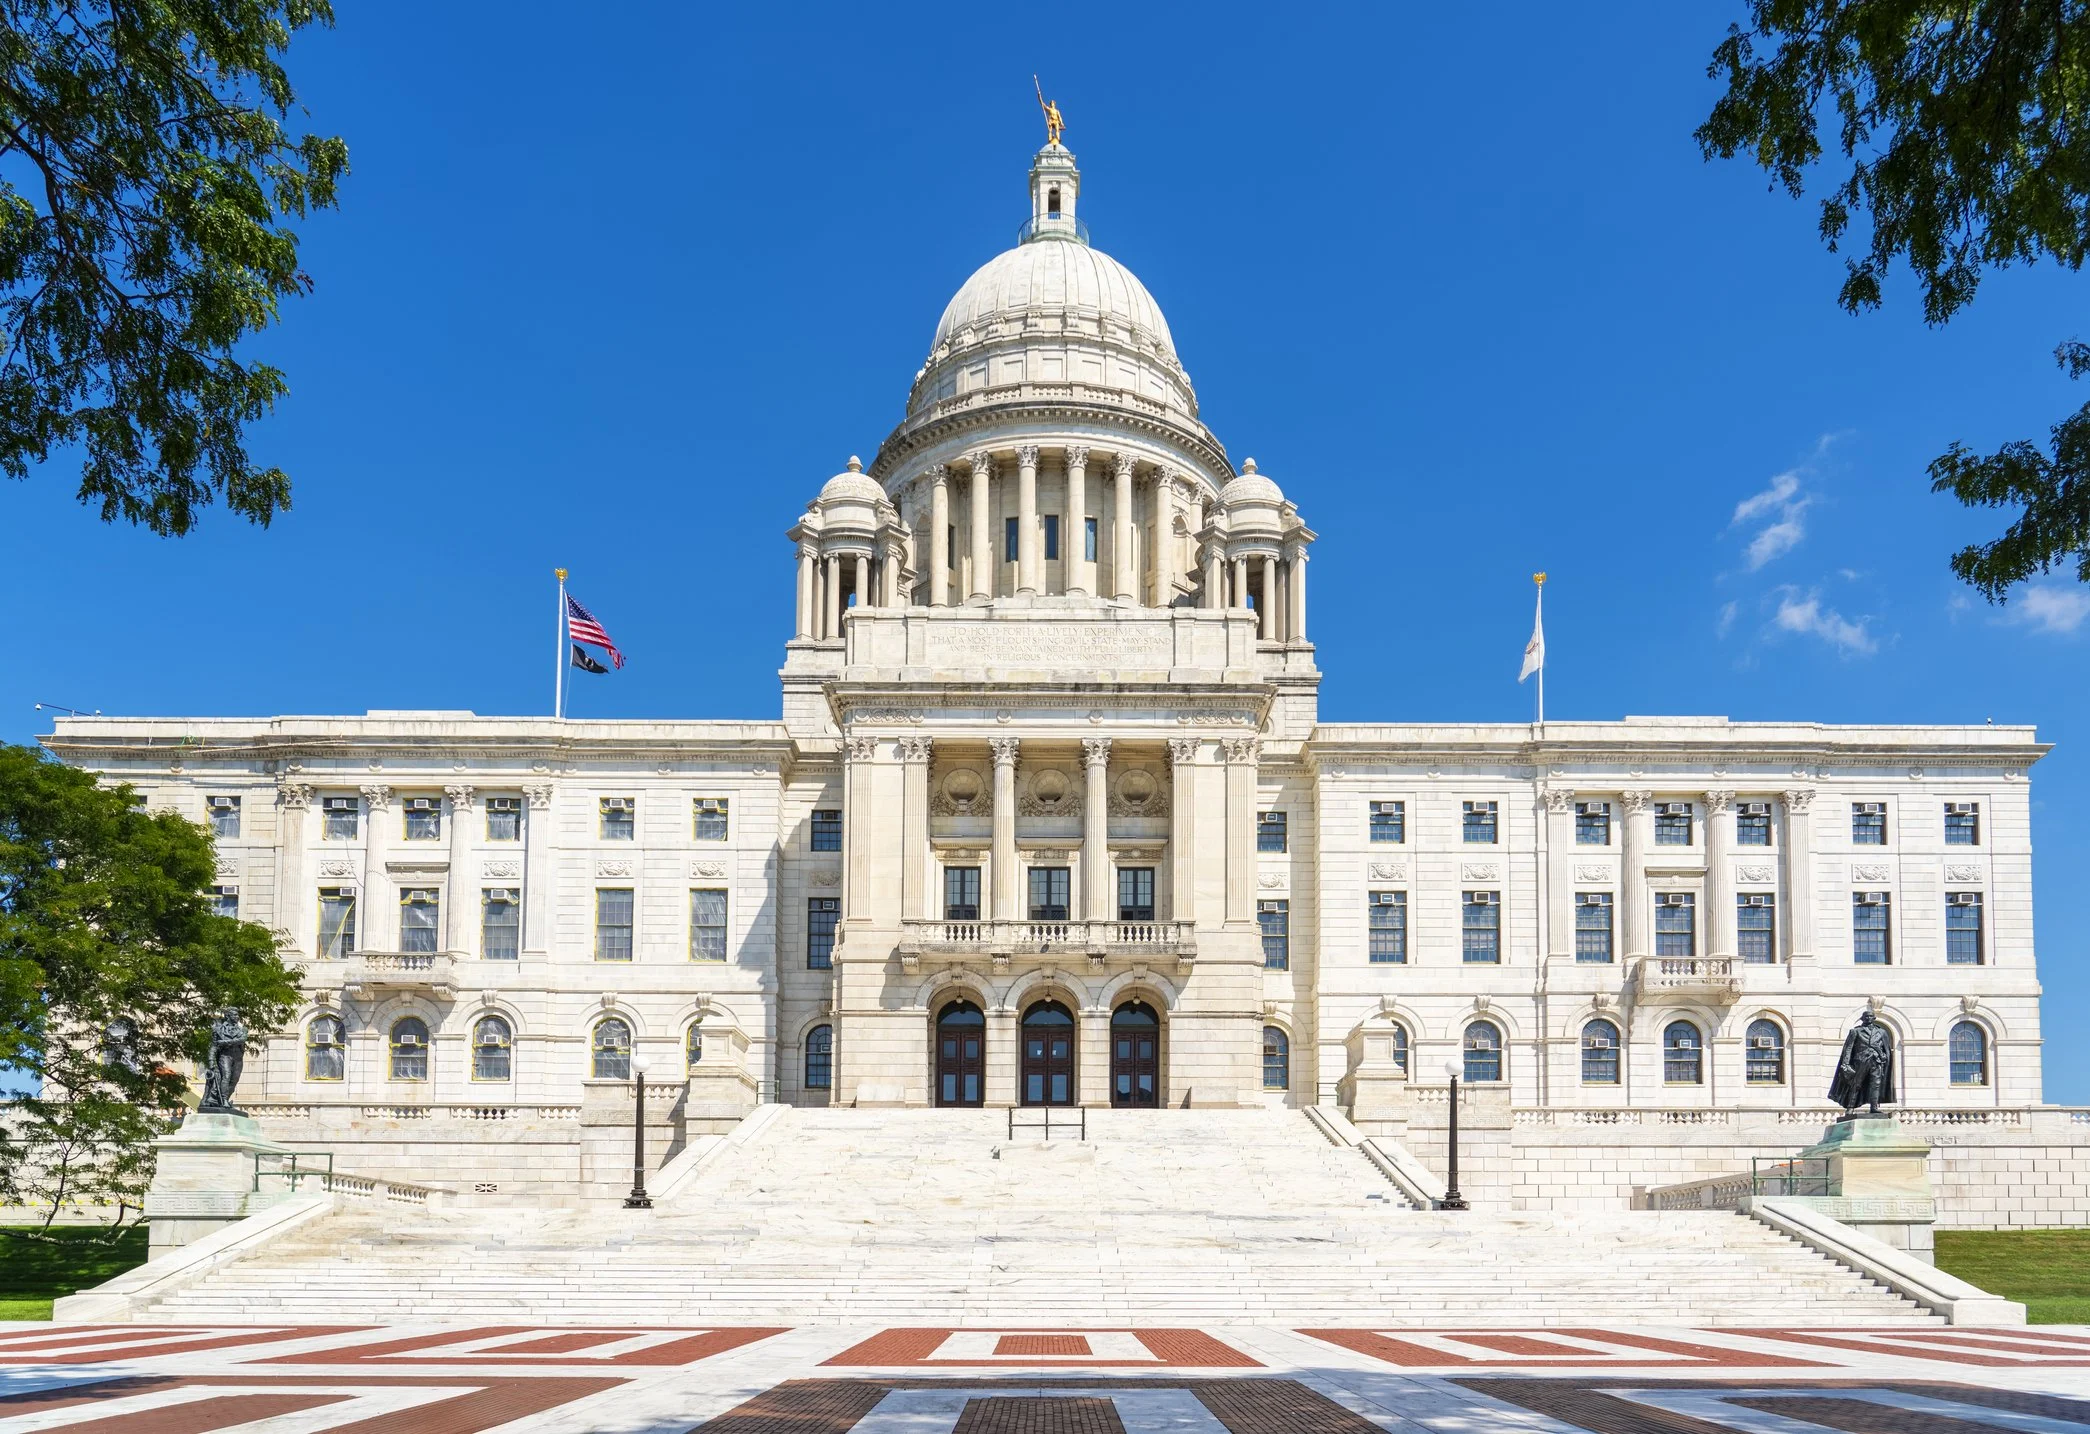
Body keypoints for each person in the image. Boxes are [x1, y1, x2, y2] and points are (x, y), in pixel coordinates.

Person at [1828, 1008, 1895, 1115]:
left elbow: (1886, 1049)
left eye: (1870, 1016)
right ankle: (1850, 1107)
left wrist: (1883, 1057)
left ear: (1874, 1018)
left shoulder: (1881, 1032)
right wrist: (1845, 1064)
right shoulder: (1855, 1031)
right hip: (1860, 1061)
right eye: (1866, 1016)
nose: (1868, 1018)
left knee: (1876, 1084)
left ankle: (1874, 1107)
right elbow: (1848, 1049)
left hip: (1876, 1062)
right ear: (1862, 1018)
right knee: (1856, 1084)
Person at [199, 1007, 248, 1114]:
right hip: (225, 1056)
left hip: (238, 1058)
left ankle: (220, 1100)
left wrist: (224, 1042)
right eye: (234, 1015)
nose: (237, 1017)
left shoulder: (243, 1030)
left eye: (237, 1015)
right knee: (226, 1076)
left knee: (234, 1080)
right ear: (228, 1016)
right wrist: (211, 1061)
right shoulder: (218, 1029)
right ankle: (224, 1099)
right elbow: (213, 1047)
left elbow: (242, 1039)